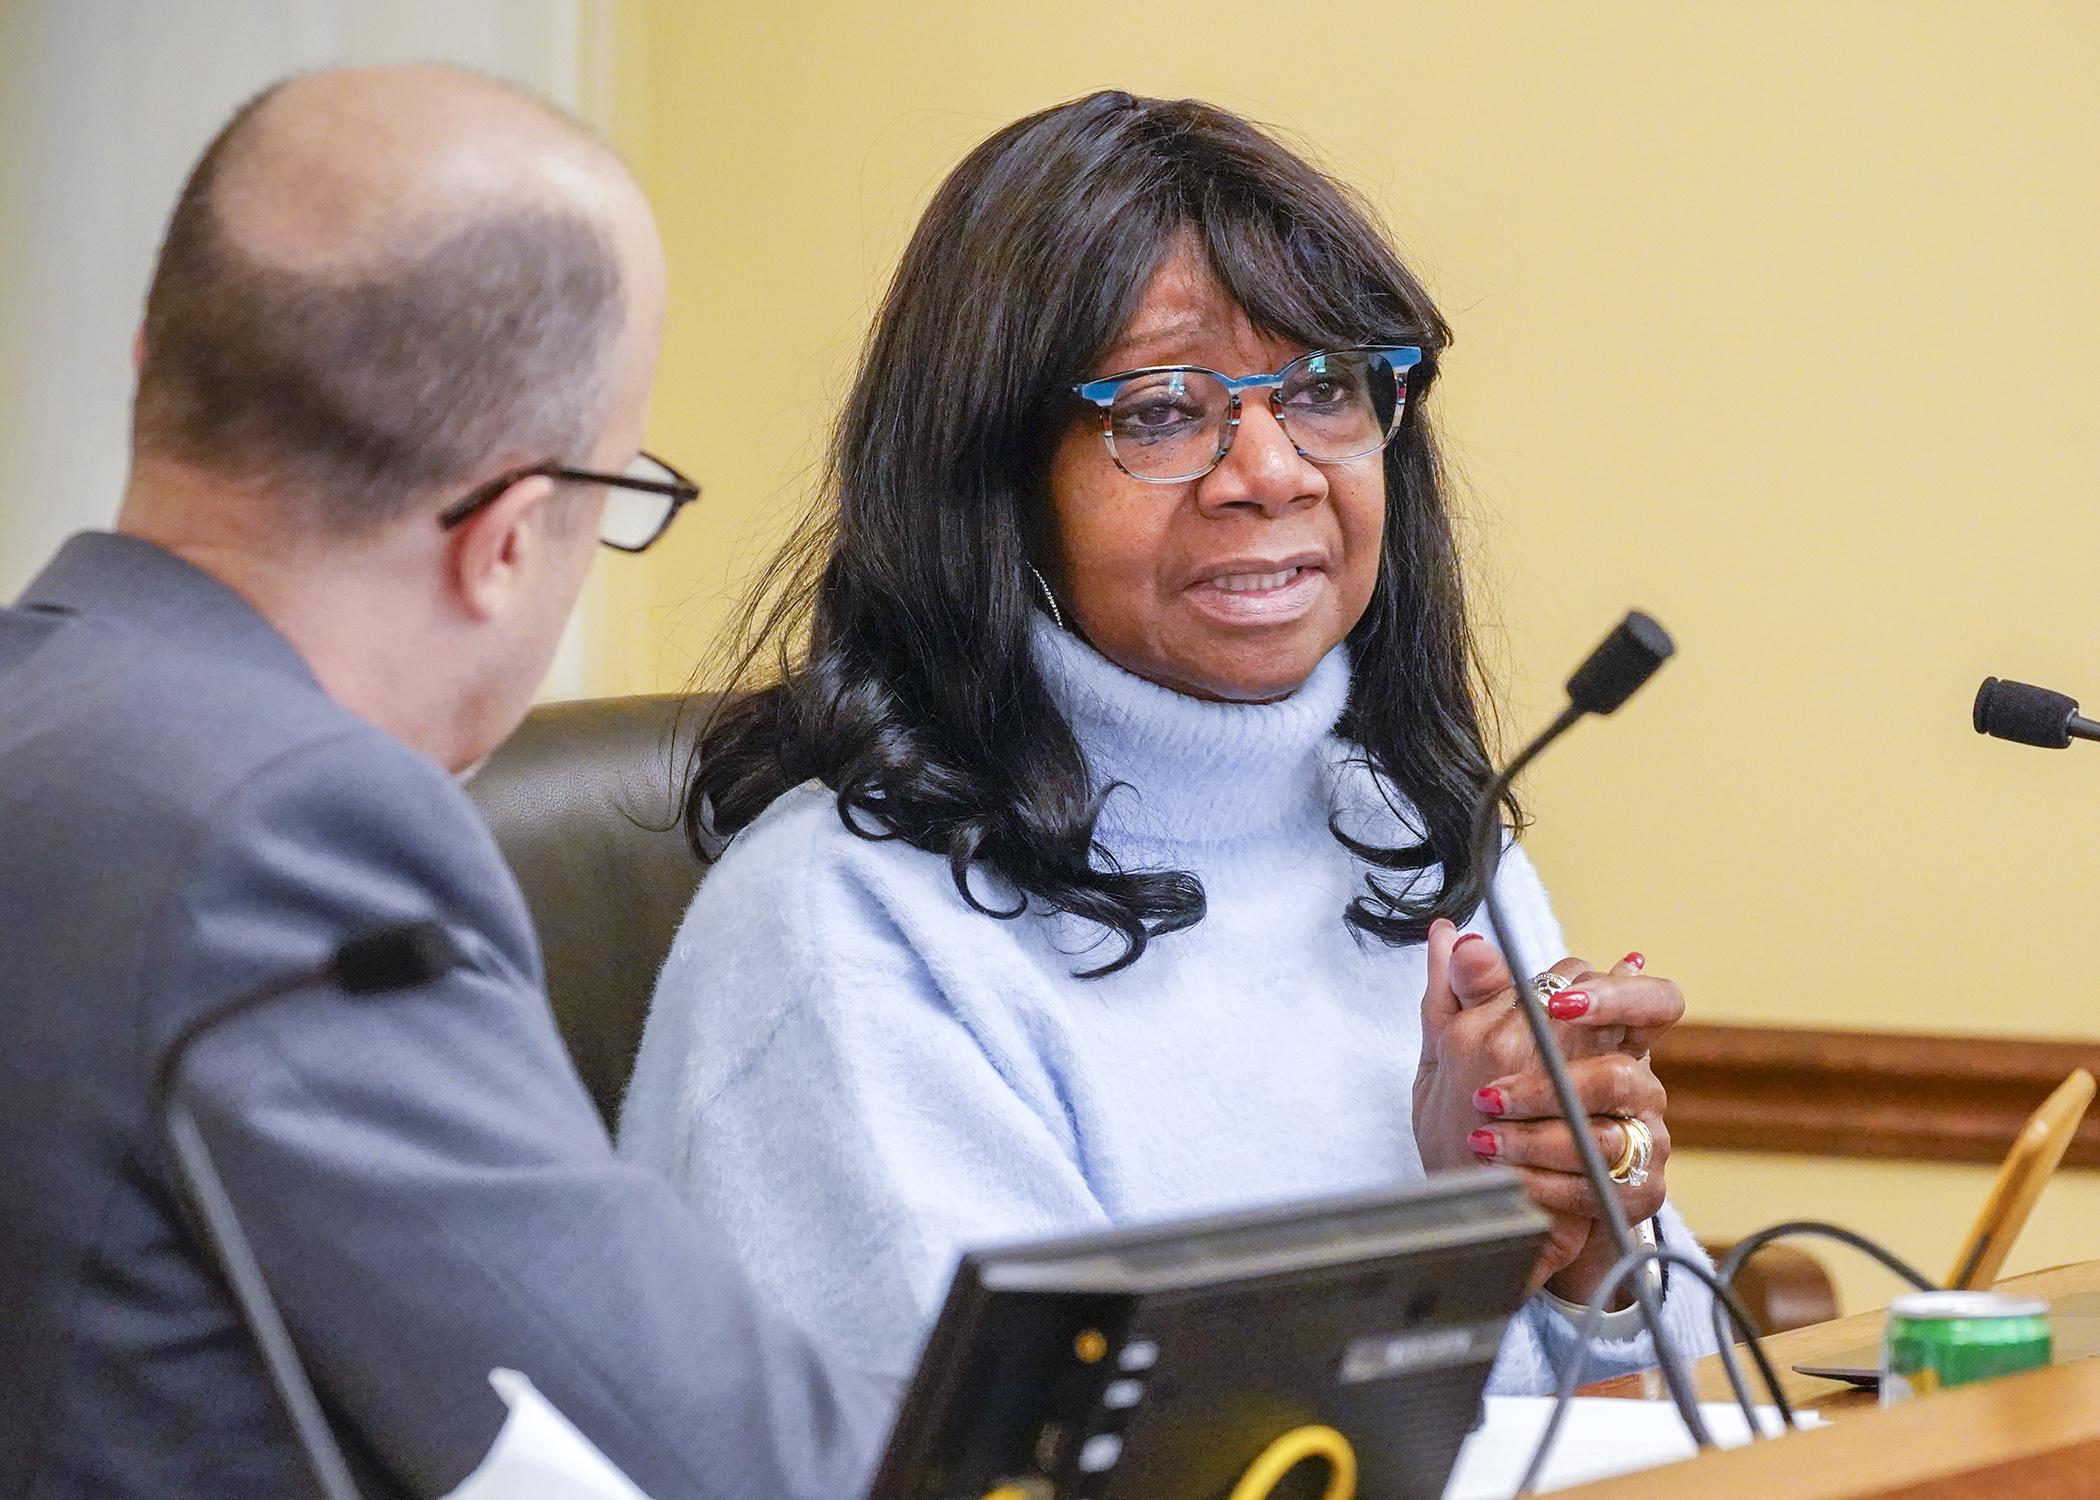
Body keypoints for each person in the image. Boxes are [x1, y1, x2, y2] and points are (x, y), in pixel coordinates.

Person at [619, 91, 1717, 1395]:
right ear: (994, 479)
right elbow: (1017, 1462)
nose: (1270, 469)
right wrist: (1432, 1248)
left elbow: (1648, 1416)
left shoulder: (1407, 829)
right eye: (1158, 412)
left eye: (1321, 388)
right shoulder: (840, 926)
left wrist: (1581, 1235)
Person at [0, 68, 886, 1499]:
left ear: (156, 362)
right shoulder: (285, 833)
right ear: (513, 535)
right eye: (621, 492)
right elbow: (724, 1461)